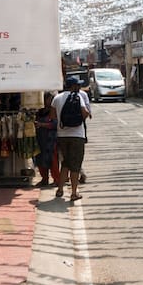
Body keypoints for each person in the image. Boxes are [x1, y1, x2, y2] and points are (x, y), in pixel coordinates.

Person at [51, 75, 92, 203]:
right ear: (73, 86)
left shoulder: (57, 98)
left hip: (62, 136)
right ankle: (74, 193)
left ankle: (60, 190)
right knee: (75, 166)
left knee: (65, 163)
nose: (79, 87)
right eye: (77, 85)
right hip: (77, 136)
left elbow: (52, 116)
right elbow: (85, 113)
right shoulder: (78, 97)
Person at [34, 92, 60, 188]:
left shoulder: (54, 110)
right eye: (46, 99)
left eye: (49, 99)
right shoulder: (39, 111)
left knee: (53, 160)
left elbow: (55, 124)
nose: (48, 101)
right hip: (40, 138)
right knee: (40, 159)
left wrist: (42, 125)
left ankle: (56, 179)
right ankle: (44, 179)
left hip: (51, 139)